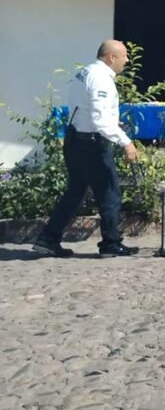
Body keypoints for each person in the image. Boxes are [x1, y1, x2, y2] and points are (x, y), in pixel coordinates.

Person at [33, 40, 141, 258]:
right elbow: (100, 120)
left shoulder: (85, 72)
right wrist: (126, 142)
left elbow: (85, 110)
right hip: (92, 144)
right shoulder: (101, 79)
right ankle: (110, 244)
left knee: (75, 192)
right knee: (110, 194)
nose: (127, 60)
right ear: (111, 57)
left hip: (75, 140)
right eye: (124, 56)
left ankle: (48, 238)